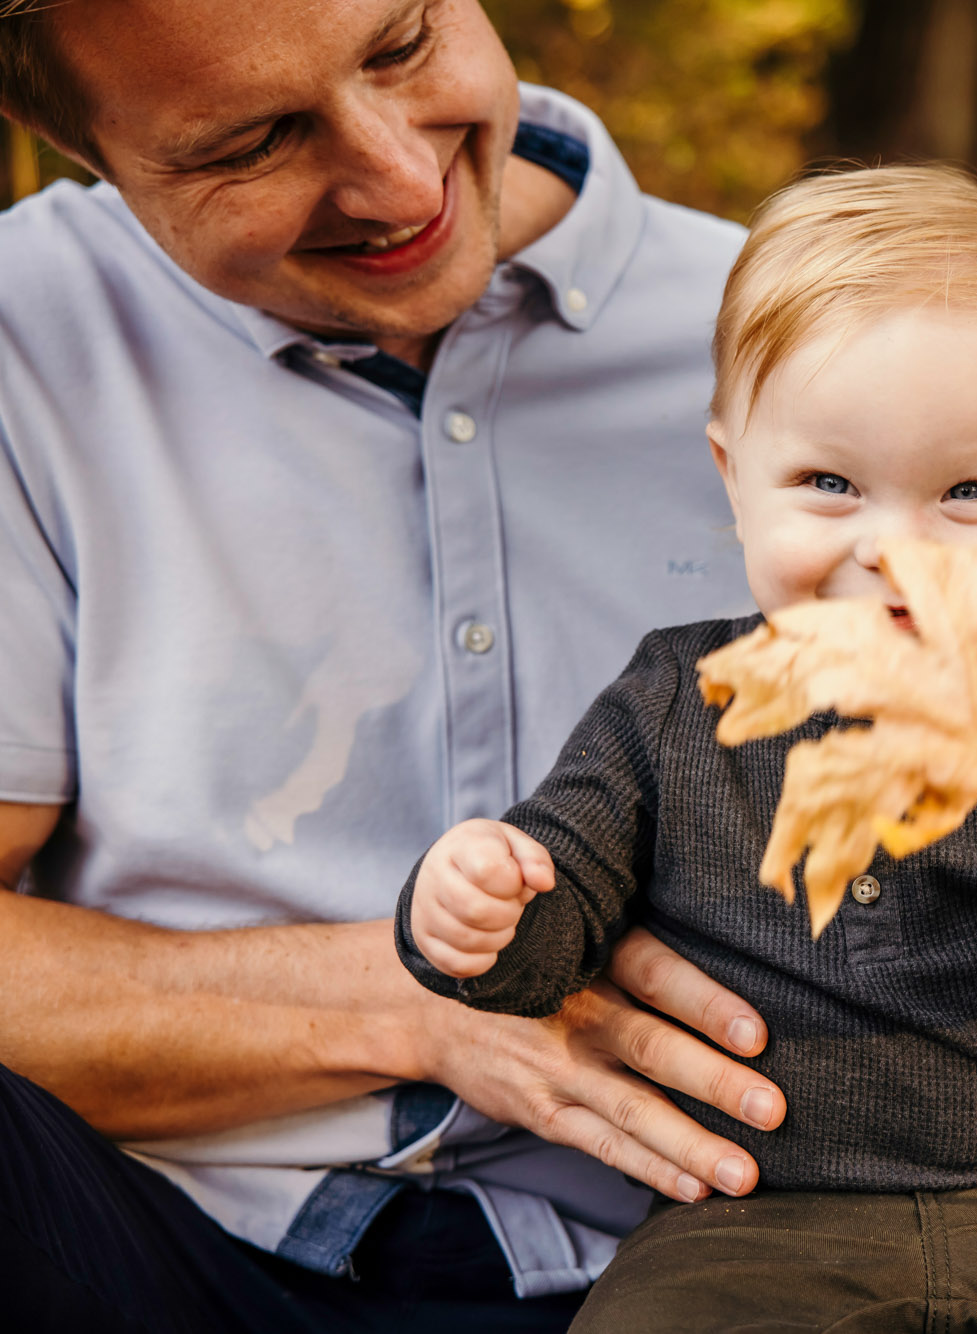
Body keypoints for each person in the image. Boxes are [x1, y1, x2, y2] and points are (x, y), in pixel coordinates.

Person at [393, 164, 977, 1333]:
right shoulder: (677, 699)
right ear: (732, 477)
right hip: (747, 1220)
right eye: (828, 483)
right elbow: (561, 892)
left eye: (968, 491)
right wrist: (482, 910)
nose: (890, 545)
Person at [0, 0, 803, 1328]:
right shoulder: (26, 336)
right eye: (255, 140)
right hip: (165, 1239)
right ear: (69, 136)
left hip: (700, 1265)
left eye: (401, 46)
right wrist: (422, 1004)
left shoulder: (802, 337)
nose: (398, 176)